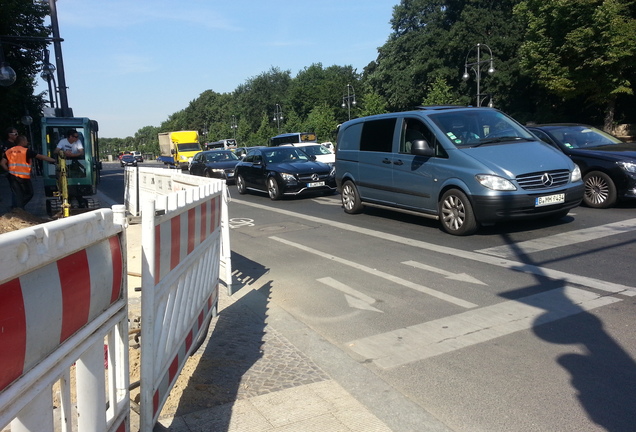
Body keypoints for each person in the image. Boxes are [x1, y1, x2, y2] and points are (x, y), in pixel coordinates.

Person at [1, 135, 56, 210]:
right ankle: (19, 209)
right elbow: (41, 157)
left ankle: (18, 209)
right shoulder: (26, 151)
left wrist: (8, 170)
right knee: (29, 193)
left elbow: (2, 163)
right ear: (22, 141)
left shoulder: (9, 151)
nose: (27, 142)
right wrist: (54, 160)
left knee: (18, 194)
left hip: (13, 176)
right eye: (26, 140)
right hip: (23, 177)